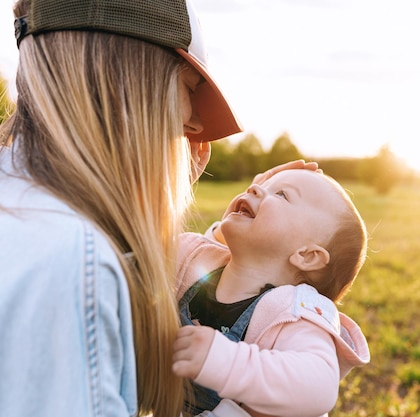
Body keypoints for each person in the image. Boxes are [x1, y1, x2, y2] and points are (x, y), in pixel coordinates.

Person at [0, 0, 247, 416]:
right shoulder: (74, 261)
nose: (196, 124)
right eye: (188, 89)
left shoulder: (26, 210)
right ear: (128, 81)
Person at [172, 168, 371, 417]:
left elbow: (319, 388)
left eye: (282, 195)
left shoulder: (294, 313)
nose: (253, 189)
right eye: (259, 187)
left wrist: (228, 362)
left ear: (307, 255)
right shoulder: (195, 256)